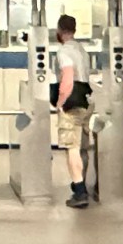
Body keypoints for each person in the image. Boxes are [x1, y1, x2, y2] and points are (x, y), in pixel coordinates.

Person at [51, 15, 94, 208]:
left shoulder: (64, 51)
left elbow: (67, 79)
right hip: (87, 100)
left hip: (72, 102)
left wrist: (60, 102)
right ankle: (82, 181)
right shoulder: (82, 50)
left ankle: (79, 190)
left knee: (72, 147)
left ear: (59, 31)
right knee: (82, 146)